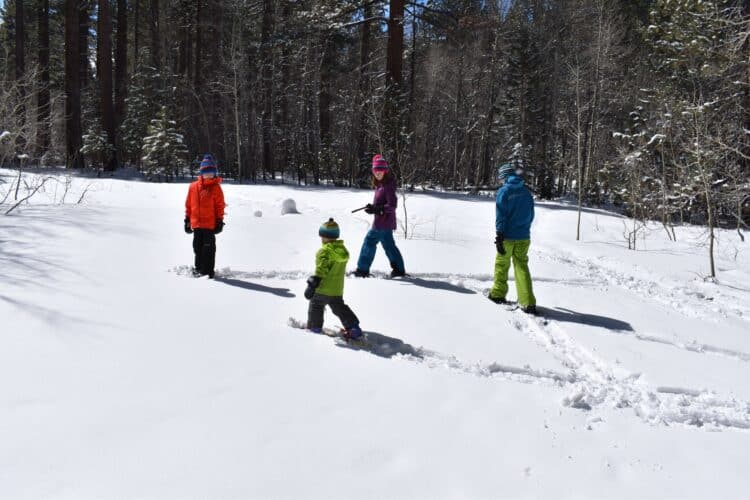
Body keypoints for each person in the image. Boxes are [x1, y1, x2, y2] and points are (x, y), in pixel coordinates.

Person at [488, 163, 537, 314]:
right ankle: (527, 301)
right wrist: (524, 229)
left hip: (507, 237)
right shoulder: (526, 192)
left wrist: (499, 234)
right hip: (523, 237)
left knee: (502, 265)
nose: (500, 181)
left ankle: (497, 294)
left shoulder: (504, 192)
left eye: (501, 178)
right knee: (521, 266)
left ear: (505, 176)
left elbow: (501, 215)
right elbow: (531, 214)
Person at [305, 218, 362, 339]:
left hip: (322, 289)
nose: (321, 239)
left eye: (322, 237)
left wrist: (314, 282)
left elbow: (321, 268)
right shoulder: (343, 251)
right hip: (337, 290)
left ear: (326, 237)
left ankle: (315, 327)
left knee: (316, 305)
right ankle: (353, 327)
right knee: (340, 308)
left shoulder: (324, 251)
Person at [353, 154, 406, 278]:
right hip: (383, 222)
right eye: (376, 170)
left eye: (380, 170)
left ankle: (362, 270)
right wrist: (372, 207)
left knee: (369, 242)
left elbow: (392, 205)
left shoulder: (387, 186)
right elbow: (382, 204)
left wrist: (378, 210)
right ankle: (399, 269)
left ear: (385, 171)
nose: (378, 173)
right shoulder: (380, 185)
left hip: (383, 223)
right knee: (389, 246)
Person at [184, 154, 226, 278]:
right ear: (201, 172)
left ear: (214, 172)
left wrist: (220, 221)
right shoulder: (193, 187)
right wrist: (187, 220)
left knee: (208, 249)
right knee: (197, 248)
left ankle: (208, 271)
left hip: (209, 226)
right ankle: (198, 269)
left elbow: (220, 206)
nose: (208, 174)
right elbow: (189, 205)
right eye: (206, 172)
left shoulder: (216, 188)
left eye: (211, 172)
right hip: (196, 224)